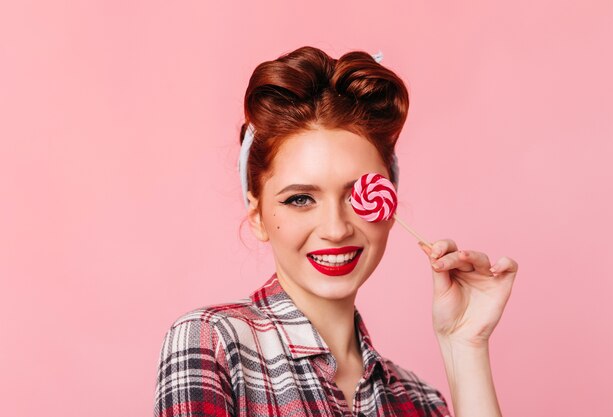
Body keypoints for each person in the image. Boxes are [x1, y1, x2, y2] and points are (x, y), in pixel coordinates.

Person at [153, 46, 518, 417]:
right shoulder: (212, 343)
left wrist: (465, 345)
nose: (336, 229)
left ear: (388, 204)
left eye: (355, 195)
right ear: (258, 216)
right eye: (299, 199)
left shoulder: (418, 401)